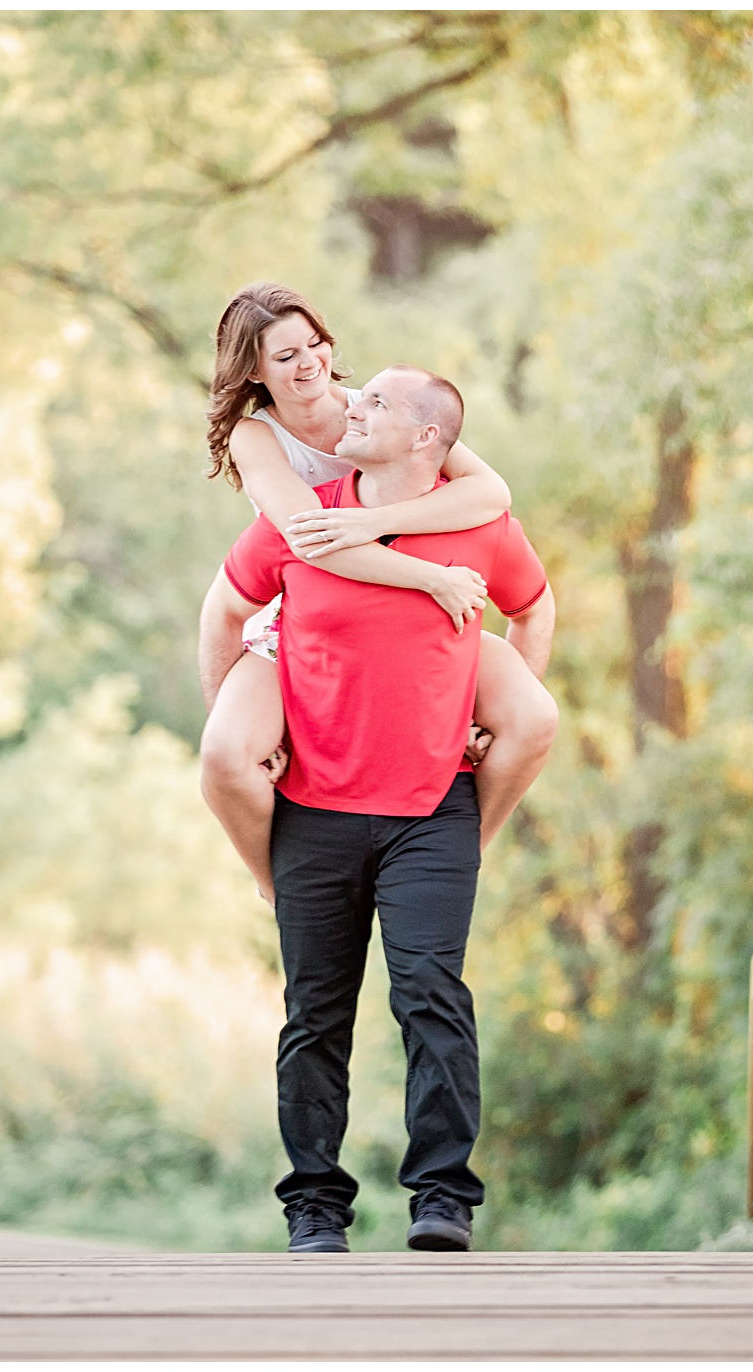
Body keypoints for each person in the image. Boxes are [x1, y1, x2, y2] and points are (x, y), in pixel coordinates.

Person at [197, 365, 556, 1255]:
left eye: (375, 404)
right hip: (312, 809)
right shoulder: (306, 517)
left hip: (433, 812)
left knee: (431, 997)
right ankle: (315, 1208)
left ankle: (443, 1201)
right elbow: (229, 609)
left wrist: (501, 703)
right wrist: (244, 713)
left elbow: (536, 604)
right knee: (316, 1012)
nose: (347, 407)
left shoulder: (480, 524)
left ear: (425, 438)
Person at [200, 283, 559, 904]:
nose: (308, 362)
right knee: (226, 754)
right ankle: (276, 883)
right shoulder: (254, 436)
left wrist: (371, 524)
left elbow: (491, 492)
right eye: (285, 357)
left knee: (533, 718)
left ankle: (457, 854)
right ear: (253, 369)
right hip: (313, 609)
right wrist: (430, 577)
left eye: (314, 343)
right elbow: (309, 538)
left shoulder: (374, 407)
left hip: (423, 616)